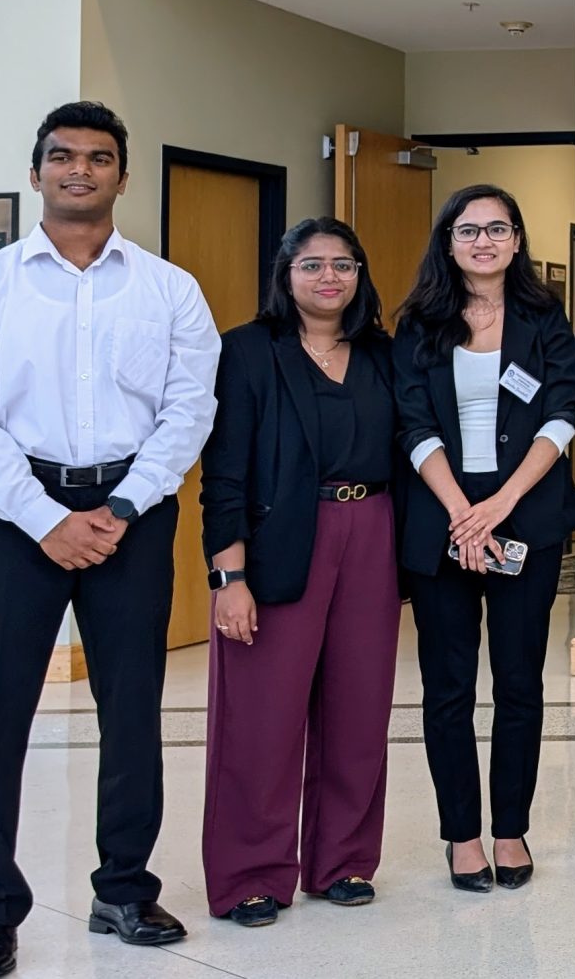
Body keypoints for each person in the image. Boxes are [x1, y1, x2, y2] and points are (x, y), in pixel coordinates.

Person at [0, 102, 218, 978]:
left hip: (133, 507)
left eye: (98, 158)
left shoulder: (170, 288)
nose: (79, 169)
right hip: (15, 515)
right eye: (62, 156)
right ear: (36, 173)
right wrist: (45, 517)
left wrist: (122, 508)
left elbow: (188, 408)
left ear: (122, 176)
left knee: (131, 711)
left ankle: (124, 888)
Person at [199, 218, 404, 926]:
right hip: (280, 537)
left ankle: (342, 858)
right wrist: (229, 577)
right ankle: (250, 871)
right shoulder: (248, 350)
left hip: (371, 530)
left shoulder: (383, 352)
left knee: (359, 709)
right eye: (312, 264)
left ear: (360, 275)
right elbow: (222, 472)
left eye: (343, 264)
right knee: (262, 715)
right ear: (285, 274)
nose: (329, 277)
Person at [393, 185, 575, 892]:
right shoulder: (418, 321)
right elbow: (411, 422)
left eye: (497, 228)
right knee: (447, 688)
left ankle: (510, 829)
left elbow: (563, 410)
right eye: (468, 229)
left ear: (516, 239)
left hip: (524, 518)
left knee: (518, 683)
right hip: (442, 520)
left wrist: (501, 502)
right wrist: (461, 510)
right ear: (448, 240)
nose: (483, 240)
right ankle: (462, 835)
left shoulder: (542, 315)